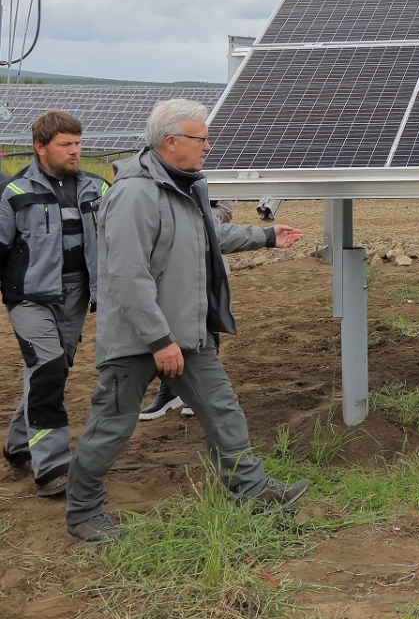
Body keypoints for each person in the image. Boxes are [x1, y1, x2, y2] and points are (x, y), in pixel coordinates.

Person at [65, 99, 309, 543]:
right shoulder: (135, 194)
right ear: (171, 141)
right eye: (201, 138)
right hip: (141, 339)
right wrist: (159, 340)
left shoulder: (184, 186)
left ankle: (252, 492)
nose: (209, 147)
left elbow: (208, 236)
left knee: (222, 410)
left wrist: (267, 236)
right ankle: (83, 512)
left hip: (188, 334)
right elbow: (126, 275)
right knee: (112, 425)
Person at [0, 110, 109, 498]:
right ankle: (52, 467)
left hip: (77, 294)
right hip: (29, 298)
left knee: (52, 370)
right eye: (66, 145)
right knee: (46, 369)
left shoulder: (98, 189)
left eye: (78, 143)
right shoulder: (13, 193)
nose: (75, 151)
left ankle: (17, 445)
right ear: (40, 148)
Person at [138, 199, 233, 420]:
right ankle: (170, 392)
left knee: (205, 327)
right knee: (168, 327)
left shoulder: (205, 175)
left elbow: (226, 212)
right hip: (167, 270)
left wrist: (191, 220)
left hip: (205, 267)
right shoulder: (153, 176)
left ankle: (199, 393)